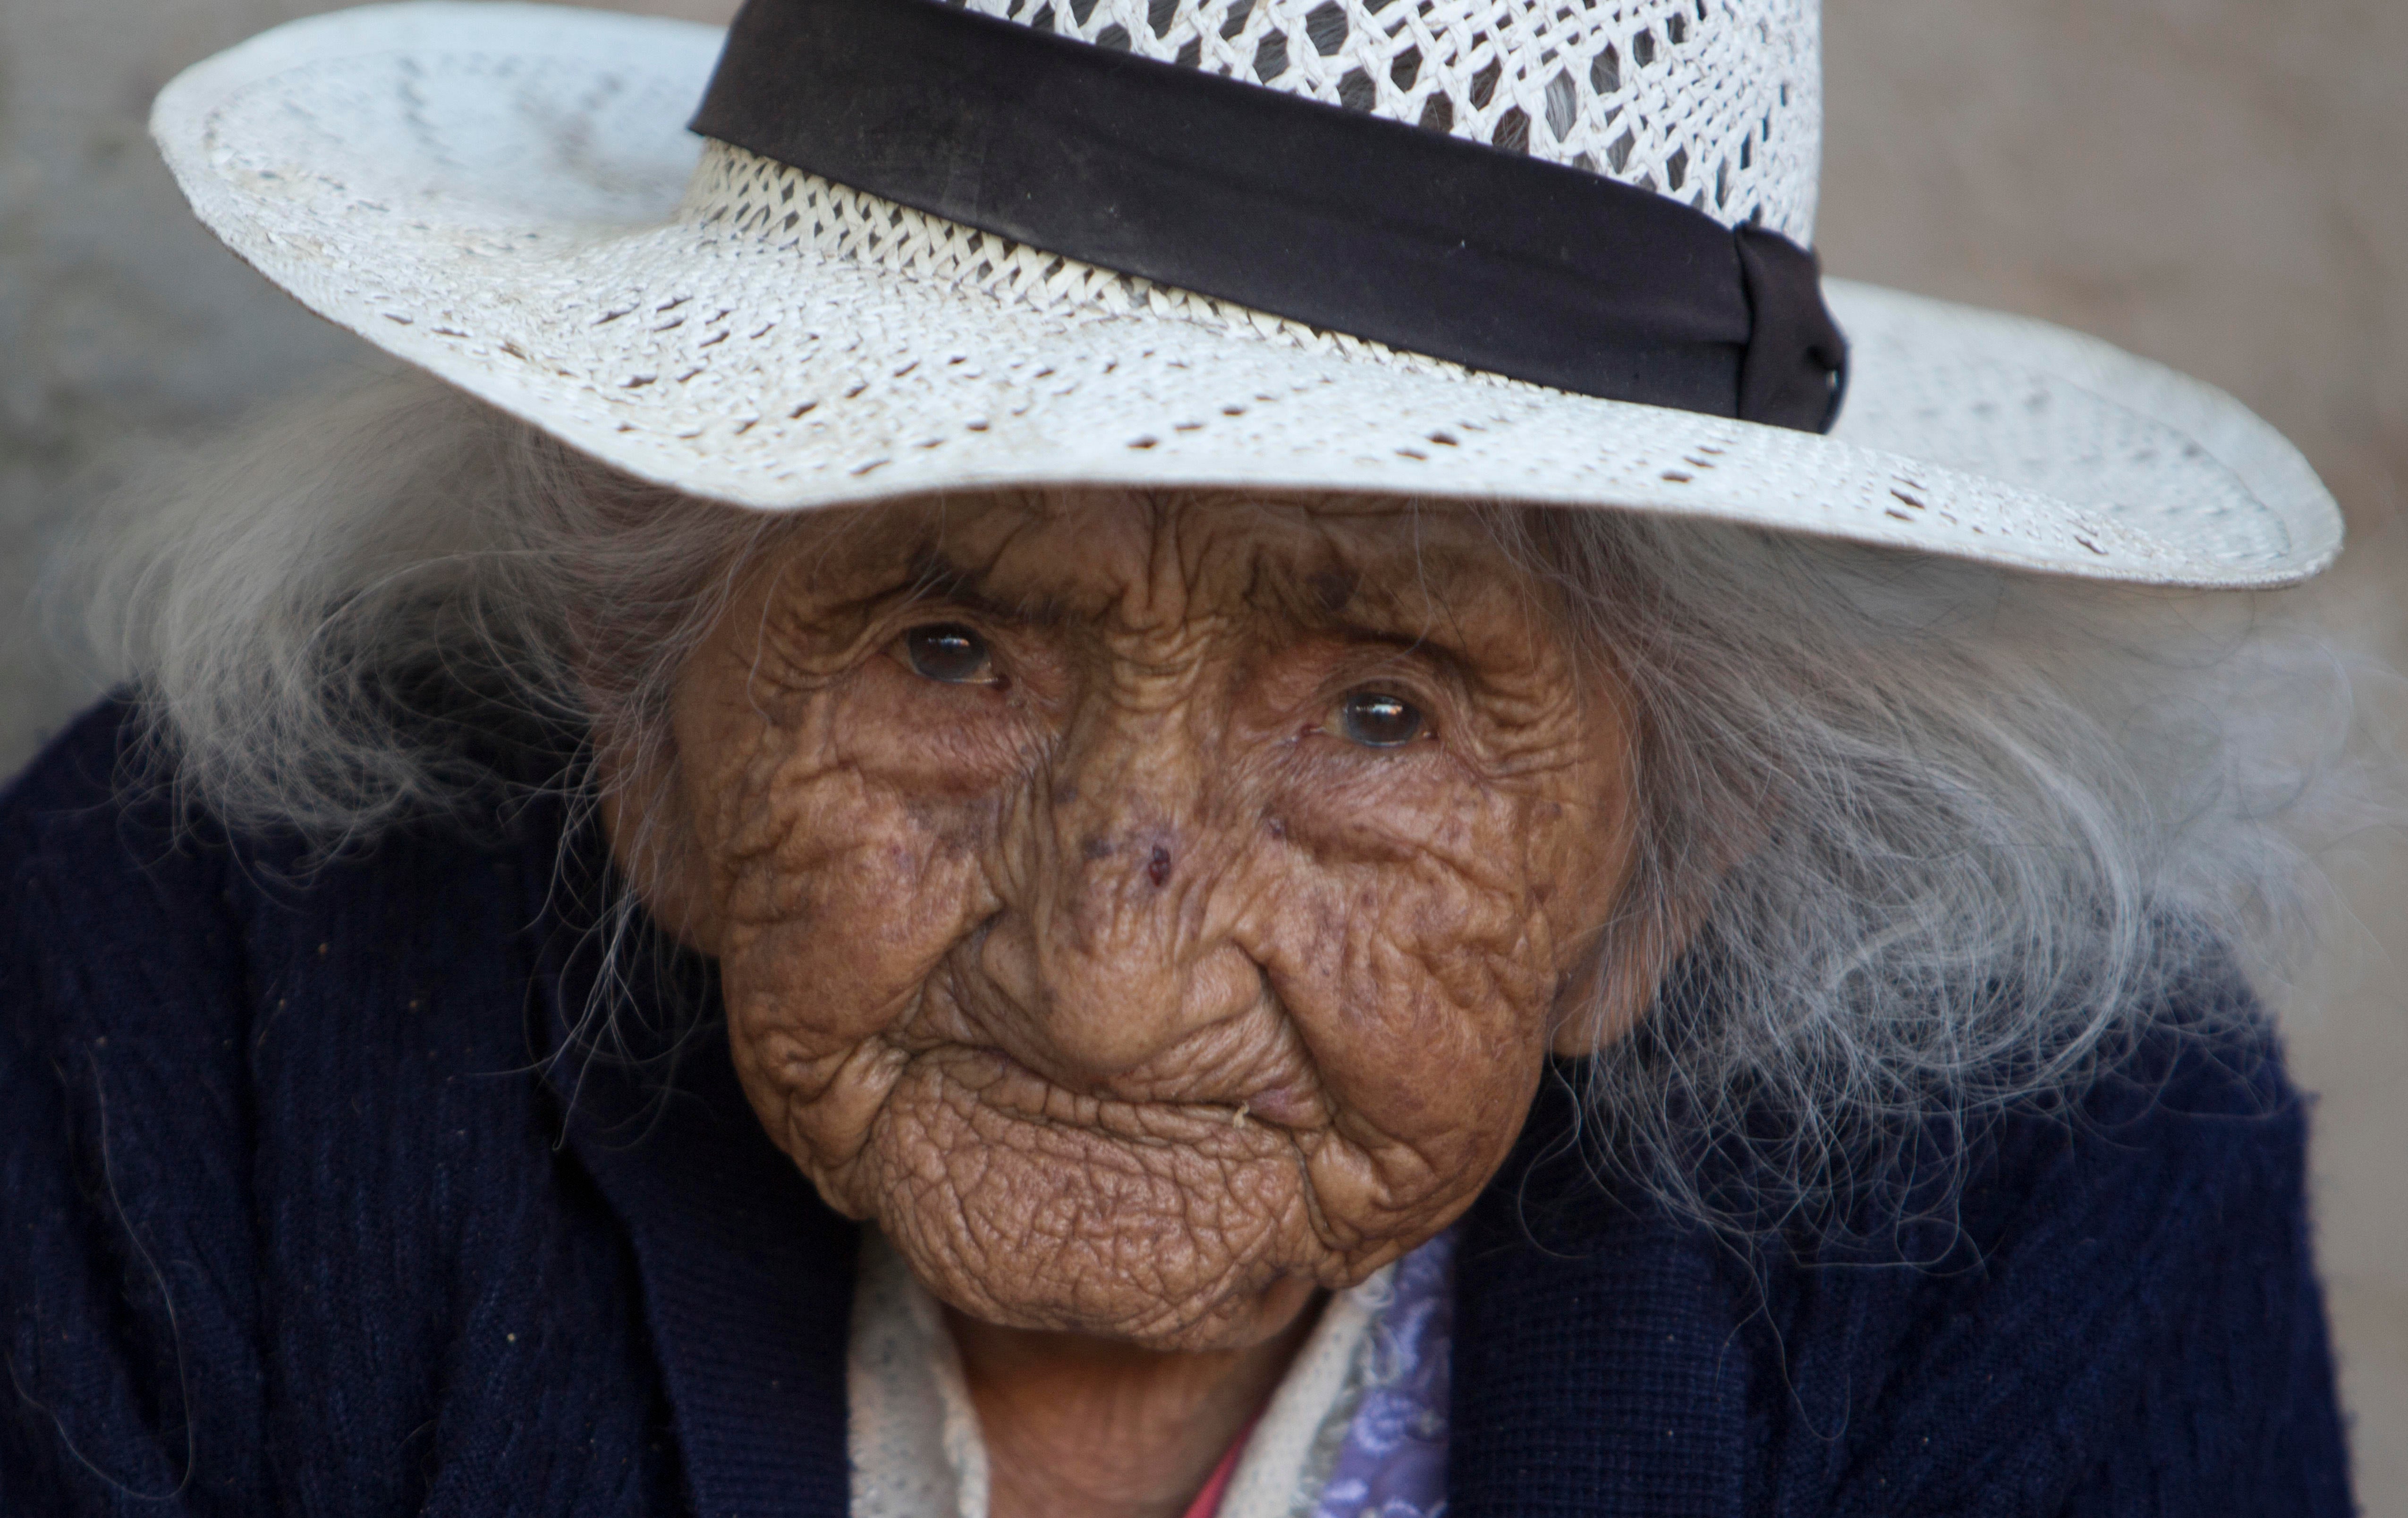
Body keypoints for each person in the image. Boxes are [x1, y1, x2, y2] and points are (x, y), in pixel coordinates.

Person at [0, 0, 2373, 1512]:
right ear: (645, 722)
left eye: (1378, 715)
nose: (1110, 983)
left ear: (1671, 856)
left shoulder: (2054, 1200)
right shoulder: (196, 980)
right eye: (948, 653)